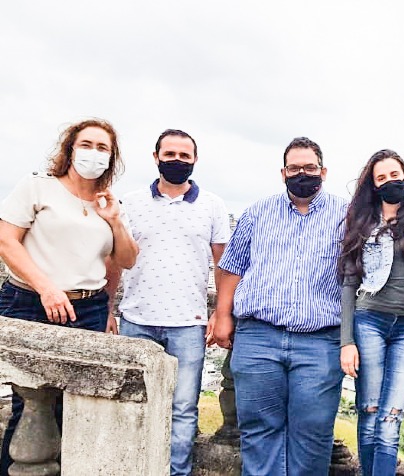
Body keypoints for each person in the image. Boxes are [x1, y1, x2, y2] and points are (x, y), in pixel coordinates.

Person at [0, 119, 138, 475]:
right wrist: (46, 287)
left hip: (87, 308)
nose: (94, 153)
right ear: (70, 149)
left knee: (76, 407)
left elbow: (124, 260)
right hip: (30, 301)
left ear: (112, 158)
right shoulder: (38, 187)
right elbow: (6, 242)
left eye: (103, 148)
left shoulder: (109, 203)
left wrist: (115, 220)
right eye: (87, 145)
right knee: (30, 404)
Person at [212, 137, 348, 476]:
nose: (302, 174)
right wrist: (222, 316)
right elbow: (231, 267)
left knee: (314, 435)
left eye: (310, 168)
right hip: (259, 337)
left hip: (319, 340)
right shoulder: (258, 212)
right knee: (258, 432)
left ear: (324, 172)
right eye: (295, 168)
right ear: (283, 172)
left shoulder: (346, 216)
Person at [117, 129, 231, 476]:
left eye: (184, 156)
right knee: (131, 404)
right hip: (136, 318)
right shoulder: (132, 202)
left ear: (194, 160)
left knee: (183, 408)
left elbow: (223, 265)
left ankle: (176, 472)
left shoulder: (212, 205)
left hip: (189, 322)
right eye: (170, 154)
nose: (177, 161)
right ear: (156, 157)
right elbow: (115, 259)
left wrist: (219, 314)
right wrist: (109, 310)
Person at [338, 149, 404, 476]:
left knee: (392, 419)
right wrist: (346, 340)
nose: (390, 182)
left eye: (395, 175)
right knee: (370, 411)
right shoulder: (362, 222)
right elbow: (349, 283)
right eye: (382, 178)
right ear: (373, 185)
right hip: (370, 322)